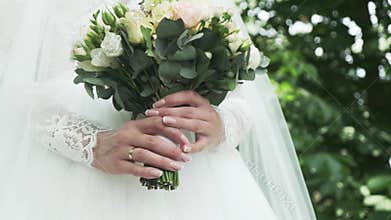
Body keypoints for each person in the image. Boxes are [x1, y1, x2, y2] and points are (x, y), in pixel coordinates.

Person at [0, 0, 316, 219]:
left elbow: (243, 94)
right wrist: (92, 145)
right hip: (70, 184)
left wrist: (221, 123)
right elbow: (10, 93)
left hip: (199, 182)